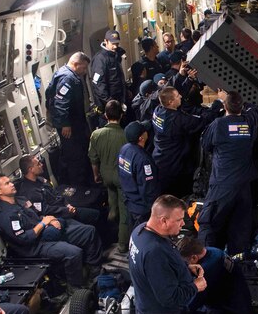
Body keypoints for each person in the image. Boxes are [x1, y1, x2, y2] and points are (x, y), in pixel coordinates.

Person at [129, 195, 206, 314]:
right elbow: (169, 298)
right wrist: (195, 286)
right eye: (179, 220)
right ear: (163, 220)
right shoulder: (154, 251)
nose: (182, 224)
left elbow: (156, 272)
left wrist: (184, 268)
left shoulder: (140, 232)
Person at [0, 173, 101, 288]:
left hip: (46, 232)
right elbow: (24, 239)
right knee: (73, 253)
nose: (12, 184)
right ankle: (74, 288)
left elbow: (37, 214)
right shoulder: (6, 215)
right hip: (34, 246)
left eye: (10, 181)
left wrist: (49, 220)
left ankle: (94, 271)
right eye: (7, 183)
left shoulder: (21, 199)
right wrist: (43, 223)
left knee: (88, 232)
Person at [198, 90, 258, 255]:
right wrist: (241, 102)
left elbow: (205, 145)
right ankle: (237, 263)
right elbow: (255, 110)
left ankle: (209, 261)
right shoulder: (249, 122)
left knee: (209, 223)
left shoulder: (218, 124)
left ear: (225, 106)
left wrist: (223, 99)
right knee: (240, 228)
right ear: (241, 107)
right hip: (244, 186)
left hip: (222, 184)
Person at [152, 85, 222, 197]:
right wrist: (218, 102)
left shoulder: (158, 110)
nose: (180, 96)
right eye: (177, 96)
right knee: (179, 196)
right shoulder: (177, 120)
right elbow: (203, 122)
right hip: (175, 166)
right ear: (170, 102)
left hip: (160, 160)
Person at [178, 237, 252, 314]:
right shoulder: (213, 251)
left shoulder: (206, 271)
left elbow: (190, 305)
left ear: (194, 257)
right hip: (238, 303)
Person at [45, 51, 93, 185]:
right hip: (70, 126)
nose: (84, 72)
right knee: (75, 157)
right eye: (83, 68)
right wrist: (65, 124)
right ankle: (78, 185)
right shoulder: (67, 78)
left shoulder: (65, 74)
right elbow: (60, 102)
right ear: (76, 64)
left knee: (78, 154)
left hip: (74, 123)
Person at [88, 99, 130, 250]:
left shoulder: (96, 134)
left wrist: (96, 175)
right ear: (121, 115)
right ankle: (122, 244)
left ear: (105, 115)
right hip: (122, 178)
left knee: (112, 204)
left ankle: (111, 230)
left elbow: (93, 158)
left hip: (105, 175)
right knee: (124, 210)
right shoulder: (126, 135)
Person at [14, 154, 100, 226]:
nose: (41, 164)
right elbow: (45, 210)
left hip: (64, 207)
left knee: (94, 209)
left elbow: (55, 193)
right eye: (38, 164)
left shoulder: (40, 179)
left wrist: (67, 204)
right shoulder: (30, 191)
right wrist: (66, 210)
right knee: (94, 215)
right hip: (58, 215)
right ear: (31, 169)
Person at [117, 120, 157, 229]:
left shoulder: (124, 149)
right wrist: (155, 210)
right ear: (141, 138)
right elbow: (147, 189)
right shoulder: (143, 160)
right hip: (142, 210)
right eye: (144, 131)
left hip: (129, 203)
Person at [91, 29, 126, 120]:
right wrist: (110, 102)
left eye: (117, 44)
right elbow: (98, 84)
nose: (115, 46)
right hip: (108, 107)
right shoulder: (100, 59)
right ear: (105, 41)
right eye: (112, 44)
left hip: (118, 102)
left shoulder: (115, 55)